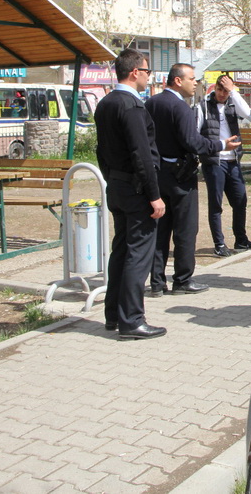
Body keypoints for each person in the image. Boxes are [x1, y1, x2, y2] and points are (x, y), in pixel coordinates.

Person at [145, 64, 239, 296]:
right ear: (178, 81)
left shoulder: (151, 103)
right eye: (191, 78)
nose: (195, 83)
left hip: (157, 174)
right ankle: (182, 280)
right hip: (181, 175)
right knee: (185, 229)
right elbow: (192, 142)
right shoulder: (180, 107)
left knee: (160, 229)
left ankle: (157, 283)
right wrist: (220, 145)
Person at [93, 49, 167, 340]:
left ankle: (114, 314)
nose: (149, 77)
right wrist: (154, 195)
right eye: (147, 71)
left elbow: (101, 150)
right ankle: (132, 320)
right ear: (135, 72)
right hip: (136, 190)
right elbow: (142, 154)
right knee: (138, 254)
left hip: (118, 185)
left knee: (122, 250)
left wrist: (112, 178)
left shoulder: (106, 103)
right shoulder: (131, 105)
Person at [197, 74, 251, 257]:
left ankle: (241, 240)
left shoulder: (233, 104)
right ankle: (219, 243)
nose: (223, 93)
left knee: (240, 201)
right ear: (214, 88)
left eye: (226, 90)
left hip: (233, 161)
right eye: (220, 89)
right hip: (215, 161)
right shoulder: (203, 107)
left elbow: (248, 115)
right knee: (216, 204)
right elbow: (195, 133)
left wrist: (234, 91)